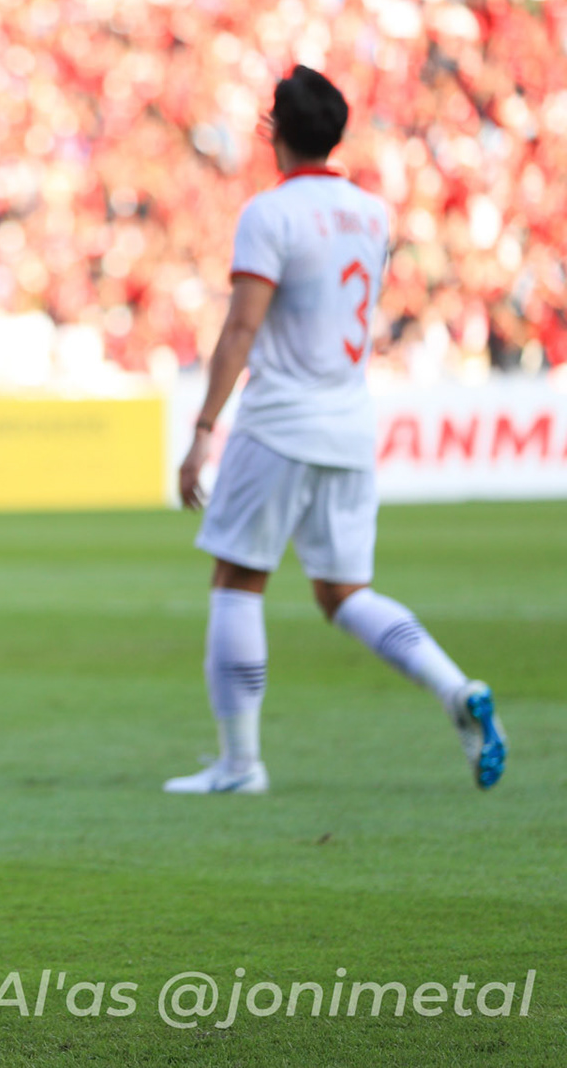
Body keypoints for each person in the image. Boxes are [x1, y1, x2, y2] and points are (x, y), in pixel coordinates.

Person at [170, 66, 506, 795]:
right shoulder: (371, 214)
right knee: (344, 591)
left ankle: (239, 765)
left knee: (237, 579)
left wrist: (203, 429)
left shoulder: (270, 214)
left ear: (273, 132)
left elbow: (242, 328)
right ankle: (456, 690)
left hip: (282, 417)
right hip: (351, 421)